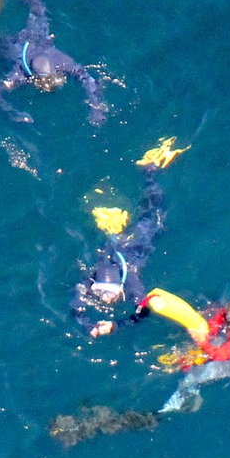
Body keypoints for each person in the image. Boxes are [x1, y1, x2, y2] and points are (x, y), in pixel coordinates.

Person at [71, 139, 185, 336]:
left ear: (121, 286)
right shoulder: (93, 277)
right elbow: (74, 307)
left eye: (107, 293)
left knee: (156, 213)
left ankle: (150, 169)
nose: (104, 298)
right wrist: (89, 326)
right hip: (117, 242)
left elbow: (144, 312)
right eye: (100, 292)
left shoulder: (132, 280)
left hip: (139, 241)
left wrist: (117, 325)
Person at [145, 292, 230, 413]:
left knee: (192, 378)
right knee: (197, 352)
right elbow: (221, 317)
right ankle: (187, 365)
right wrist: (207, 333)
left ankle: (169, 408)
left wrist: (202, 341)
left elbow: (219, 355)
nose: (227, 318)